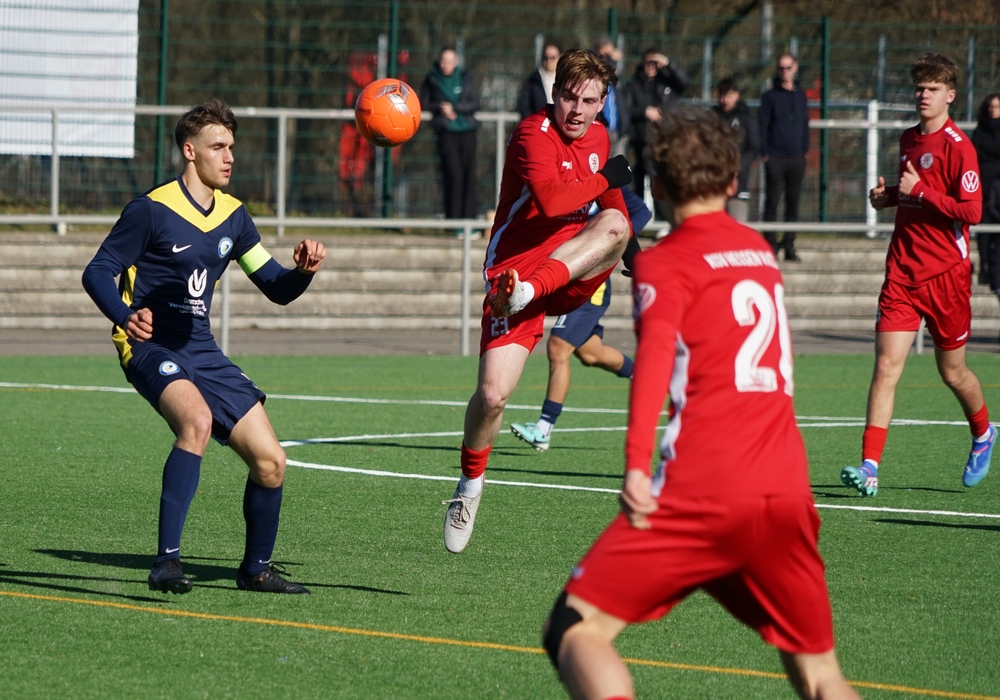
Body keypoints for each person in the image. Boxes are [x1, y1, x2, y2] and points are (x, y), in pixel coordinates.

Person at [542, 107, 860, 700]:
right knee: (820, 675)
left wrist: (635, 467)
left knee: (573, 628)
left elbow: (653, 367)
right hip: (785, 491)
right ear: (734, 181)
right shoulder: (761, 254)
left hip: (703, 491)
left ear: (659, 188)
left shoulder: (664, 264)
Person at [81, 100, 326, 595]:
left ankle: (255, 570)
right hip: (150, 344)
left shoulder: (234, 216)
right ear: (190, 151)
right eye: (218, 147)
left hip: (201, 349)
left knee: (271, 462)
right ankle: (166, 563)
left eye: (232, 147)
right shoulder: (151, 209)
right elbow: (97, 271)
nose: (229, 157)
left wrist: (302, 271)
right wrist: (126, 317)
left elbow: (275, 287)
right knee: (196, 422)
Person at [443, 49, 639, 554]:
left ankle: (532, 295)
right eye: (569, 97)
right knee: (492, 397)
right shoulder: (533, 132)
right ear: (554, 94)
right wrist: (608, 176)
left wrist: (640, 262)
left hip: (565, 272)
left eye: (588, 101)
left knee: (617, 223)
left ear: (602, 104)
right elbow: (553, 200)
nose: (577, 110)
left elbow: (612, 204)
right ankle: (469, 486)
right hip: (513, 276)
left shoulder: (599, 137)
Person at [842, 54, 992, 498]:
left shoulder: (959, 146)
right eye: (919, 88)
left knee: (953, 372)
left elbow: (972, 211)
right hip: (902, 274)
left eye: (932, 89)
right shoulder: (908, 138)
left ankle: (983, 433)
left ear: (950, 95)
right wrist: (888, 196)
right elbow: (912, 196)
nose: (923, 95)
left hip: (946, 276)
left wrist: (920, 192)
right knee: (886, 367)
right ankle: (870, 467)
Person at [510, 188, 650, 451]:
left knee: (558, 348)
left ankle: (543, 430)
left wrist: (613, 240)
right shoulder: (563, 181)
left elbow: (641, 212)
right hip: (567, 275)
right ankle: (645, 374)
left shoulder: (603, 181)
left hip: (589, 283)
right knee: (591, 353)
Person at [626, 47, 689, 222]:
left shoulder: (667, 82)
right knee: (643, 177)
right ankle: (640, 218)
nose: (651, 66)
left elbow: (685, 82)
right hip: (643, 139)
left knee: (663, 177)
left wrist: (669, 64)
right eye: (648, 62)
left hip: (666, 138)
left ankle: (663, 217)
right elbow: (627, 108)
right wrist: (645, 111)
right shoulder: (634, 85)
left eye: (655, 63)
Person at [759, 52, 810, 261]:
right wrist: (766, 154)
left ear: (795, 68)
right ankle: (769, 245)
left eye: (788, 68)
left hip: (796, 157)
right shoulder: (770, 96)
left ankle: (789, 244)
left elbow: (805, 124)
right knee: (772, 202)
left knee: (793, 202)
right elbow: (762, 126)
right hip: (775, 157)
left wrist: (804, 150)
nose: (784, 72)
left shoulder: (801, 95)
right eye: (781, 68)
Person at [420, 47, 480, 220]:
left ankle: (469, 221)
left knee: (469, 176)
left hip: (467, 132)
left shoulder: (465, 78)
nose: (446, 64)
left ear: (456, 62)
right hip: (446, 133)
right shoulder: (431, 79)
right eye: (443, 60)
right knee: (454, 176)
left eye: (449, 61)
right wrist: (440, 108)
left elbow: (475, 103)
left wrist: (455, 107)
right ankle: (453, 220)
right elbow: (424, 103)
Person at [711, 76, 759, 223]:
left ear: (737, 96)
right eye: (722, 95)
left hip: (738, 182)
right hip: (713, 182)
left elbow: (754, 148)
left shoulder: (746, 119)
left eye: (729, 96)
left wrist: (738, 166)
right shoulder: (710, 117)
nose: (725, 100)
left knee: (737, 222)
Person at [971, 93, 1000, 308]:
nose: (993, 109)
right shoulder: (980, 130)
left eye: (997, 106)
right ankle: (985, 268)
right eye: (990, 105)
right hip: (983, 185)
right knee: (983, 230)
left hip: (998, 188)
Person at [593, 38, 629, 158]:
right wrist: (613, 59)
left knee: (618, 165)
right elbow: (604, 73)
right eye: (603, 56)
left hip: (618, 131)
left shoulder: (618, 78)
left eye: (609, 56)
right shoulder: (595, 74)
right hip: (600, 129)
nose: (607, 59)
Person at [518, 42, 561, 121]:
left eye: (552, 57)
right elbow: (524, 107)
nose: (548, 60)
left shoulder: (566, 80)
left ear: (560, 57)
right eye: (545, 57)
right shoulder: (533, 81)